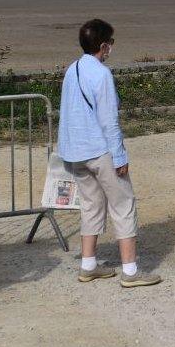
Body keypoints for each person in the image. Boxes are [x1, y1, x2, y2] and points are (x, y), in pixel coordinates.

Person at [58, 19, 161, 288]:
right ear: (103, 46)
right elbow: (109, 120)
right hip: (99, 149)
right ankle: (130, 270)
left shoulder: (72, 69)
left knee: (91, 205)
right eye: (110, 44)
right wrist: (119, 157)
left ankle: (88, 264)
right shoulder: (102, 74)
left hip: (75, 150)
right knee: (123, 204)